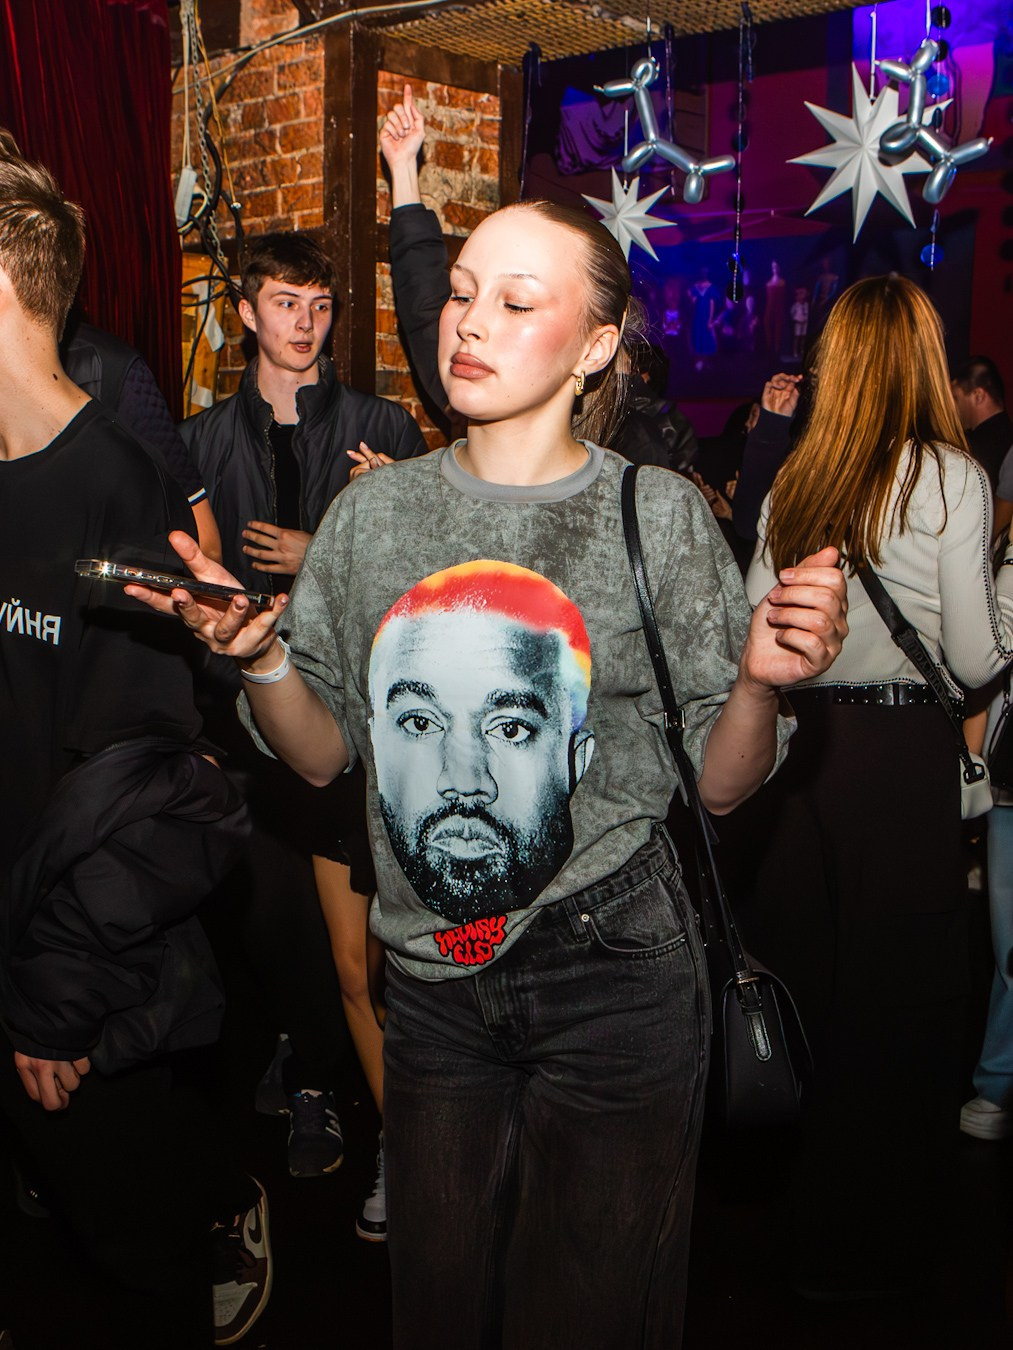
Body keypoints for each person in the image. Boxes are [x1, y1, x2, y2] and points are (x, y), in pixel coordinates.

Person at [128, 194, 847, 1349]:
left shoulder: (650, 514)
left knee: (597, 1313)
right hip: (431, 982)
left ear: (596, 347)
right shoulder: (374, 515)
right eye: (462, 293)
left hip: (615, 970)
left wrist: (758, 684)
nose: (468, 322)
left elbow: (716, 790)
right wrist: (262, 658)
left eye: (515, 302)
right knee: (441, 1307)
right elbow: (322, 759)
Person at [0, 138, 266, 1349]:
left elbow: (155, 803)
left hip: (83, 981)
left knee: (134, 1262)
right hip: (12, 944)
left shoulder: (114, 486)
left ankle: (222, 1205)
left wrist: (55, 1004)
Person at [739, 275, 1013, 1299]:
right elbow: (979, 661)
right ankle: (886, 1248)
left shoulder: (795, 478)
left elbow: (748, 625)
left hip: (803, 759)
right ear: (922, 362)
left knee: (806, 994)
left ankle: (802, 1236)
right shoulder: (949, 477)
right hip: (900, 767)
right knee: (899, 1010)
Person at [180, 231, 425, 1225]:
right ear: (245, 312)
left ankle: (387, 1123)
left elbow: (424, 590)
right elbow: (190, 594)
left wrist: (339, 538)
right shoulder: (198, 443)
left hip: (362, 730)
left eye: (320, 308)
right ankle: (313, 1073)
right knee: (285, 937)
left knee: (374, 953)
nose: (305, 325)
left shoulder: (383, 427)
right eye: (285, 304)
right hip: (247, 729)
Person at [950, 354, 1013, 505]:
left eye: (956, 398)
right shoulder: (1007, 435)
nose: (951, 407)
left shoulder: (975, 448)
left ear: (978, 396)